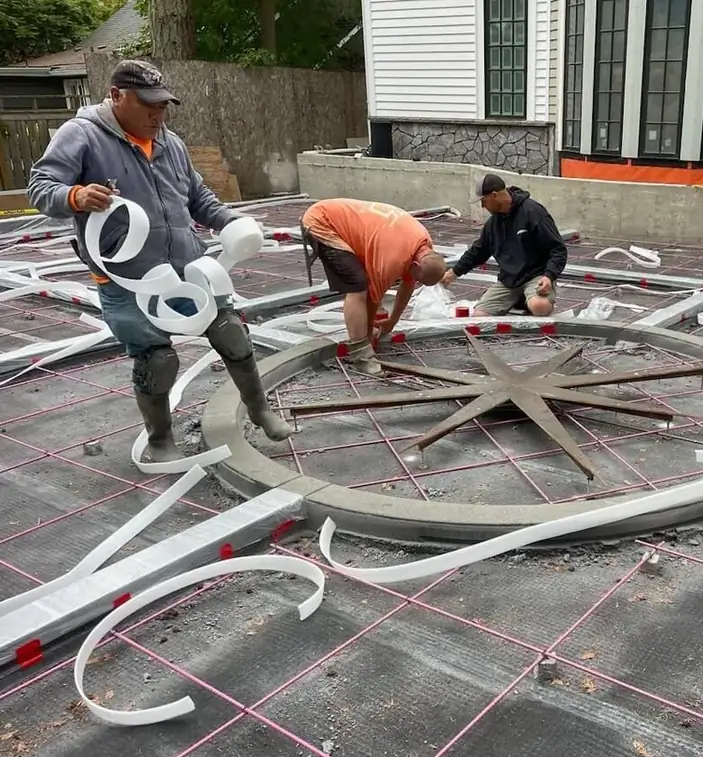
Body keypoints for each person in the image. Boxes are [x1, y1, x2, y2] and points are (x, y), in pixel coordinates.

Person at [27, 59, 293, 464]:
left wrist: (232, 223)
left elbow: (198, 198)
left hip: (187, 267)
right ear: (117, 96)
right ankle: (160, 439)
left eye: (163, 106)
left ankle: (260, 411)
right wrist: (74, 196)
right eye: (148, 105)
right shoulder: (82, 136)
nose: (158, 115)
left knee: (232, 333)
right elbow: (41, 186)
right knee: (157, 358)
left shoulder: (172, 144)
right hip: (128, 280)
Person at [300, 198, 447, 375]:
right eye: (419, 279)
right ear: (415, 265)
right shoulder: (393, 259)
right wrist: (368, 338)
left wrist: (392, 321)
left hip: (347, 222)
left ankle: (361, 338)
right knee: (357, 286)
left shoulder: (424, 246)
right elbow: (371, 299)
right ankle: (360, 355)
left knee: (363, 284)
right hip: (322, 221)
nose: (417, 282)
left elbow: (408, 284)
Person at [441, 174, 566, 317]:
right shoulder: (493, 225)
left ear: (494, 195)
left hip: (535, 276)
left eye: (483, 201)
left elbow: (558, 249)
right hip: (509, 281)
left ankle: (527, 300)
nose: (482, 206)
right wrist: (453, 273)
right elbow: (478, 251)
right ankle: (517, 300)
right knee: (479, 316)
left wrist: (549, 276)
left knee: (539, 306)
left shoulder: (533, 212)